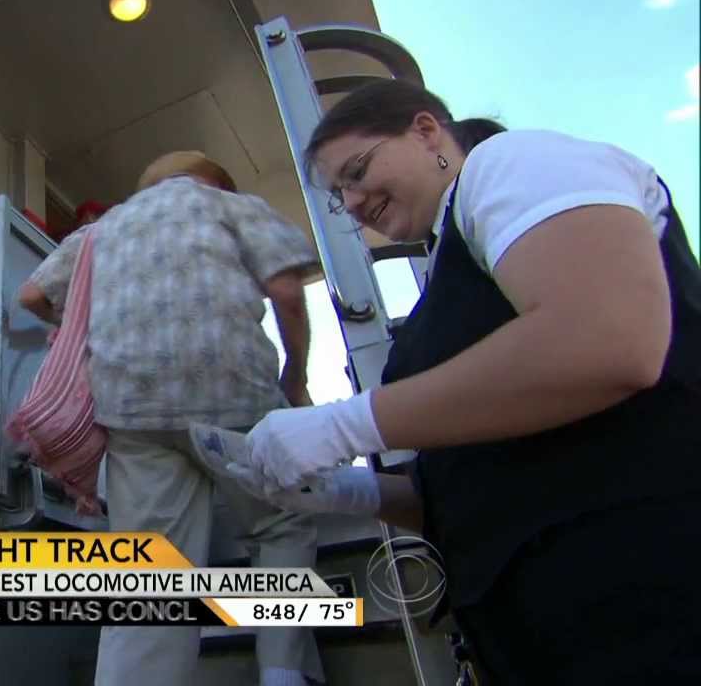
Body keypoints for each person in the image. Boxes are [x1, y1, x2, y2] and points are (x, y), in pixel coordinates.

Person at [208, 80, 701, 684]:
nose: (353, 203)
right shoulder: (450, 272)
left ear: (426, 131)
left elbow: (607, 338)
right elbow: (479, 476)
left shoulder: (512, 161)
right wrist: (348, 492)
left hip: (650, 584)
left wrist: (344, 424)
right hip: (545, 624)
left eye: (357, 172)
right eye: (339, 195)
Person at [19, 151, 325, 686]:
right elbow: (285, 292)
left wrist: (78, 321)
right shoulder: (230, 206)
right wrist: (295, 377)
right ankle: (283, 672)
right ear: (216, 182)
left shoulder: (102, 230)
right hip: (233, 394)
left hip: (133, 410)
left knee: (153, 568)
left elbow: (31, 295)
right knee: (282, 521)